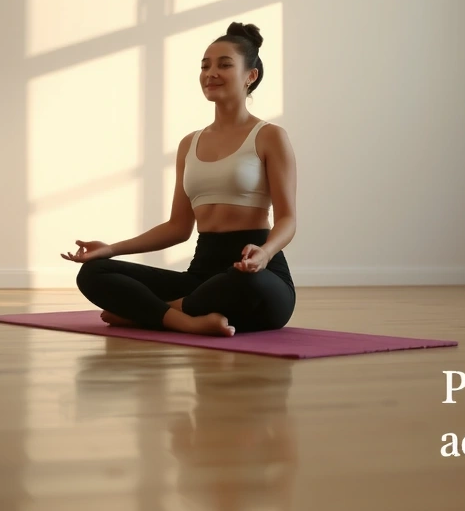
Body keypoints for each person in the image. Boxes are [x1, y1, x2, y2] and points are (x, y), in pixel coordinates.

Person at [63, 22, 297, 337]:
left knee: (243, 281)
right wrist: (110, 250)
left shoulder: (270, 136)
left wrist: (265, 253)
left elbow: (288, 219)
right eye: (205, 66)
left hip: (255, 276)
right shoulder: (190, 143)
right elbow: (177, 228)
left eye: (224, 65)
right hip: (200, 277)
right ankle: (186, 320)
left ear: (250, 75)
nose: (211, 73)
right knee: (94, 273)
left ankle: (150, 312)